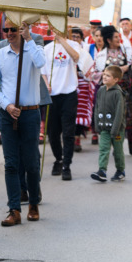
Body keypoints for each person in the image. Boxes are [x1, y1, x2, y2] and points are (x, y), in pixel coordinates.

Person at [0, 20, 46, 226]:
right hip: (8, 114)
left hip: (30, 114)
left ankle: (33, 204)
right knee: (11, 163)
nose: (10, 33)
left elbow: (41, 63)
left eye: (14, 29)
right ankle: (14, 209)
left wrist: (29, 38)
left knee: (31, 162)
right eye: (7, 30)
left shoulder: (34, 48)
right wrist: (7, 105)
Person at [42, 31, 81, 180]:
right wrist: (46, 85)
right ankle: (58, 158)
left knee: (68, 132)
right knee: (52, 132)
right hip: (53, 95)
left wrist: (62, 41)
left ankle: (67, 165)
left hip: (69, 93)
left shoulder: (73, 45)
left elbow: (76, 57)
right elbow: (43, 71)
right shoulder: (47, 48)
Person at [95, 25, 132, 155]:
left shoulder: (127, 51)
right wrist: (125, 67)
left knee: (129, 117)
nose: (118, 39)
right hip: (110, 91)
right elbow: (100, 72)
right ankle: (116, 146)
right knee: (113, 118)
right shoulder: (102, 55)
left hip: (125, 89)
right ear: (108, 40)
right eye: (115, 37)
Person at [90, 65, 127, 182]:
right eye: (104, 74)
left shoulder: (118, 93)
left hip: (117, 130)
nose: (104, 77)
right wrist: (97, 124)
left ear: (116, 79)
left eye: (108, 76)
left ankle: (120, 170)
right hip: (104, 127)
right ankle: (102, 171)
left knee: (117, 151)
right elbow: (97, 108)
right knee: (103, 149)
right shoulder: (101, 90)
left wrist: (115, 130)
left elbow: (119, 113)